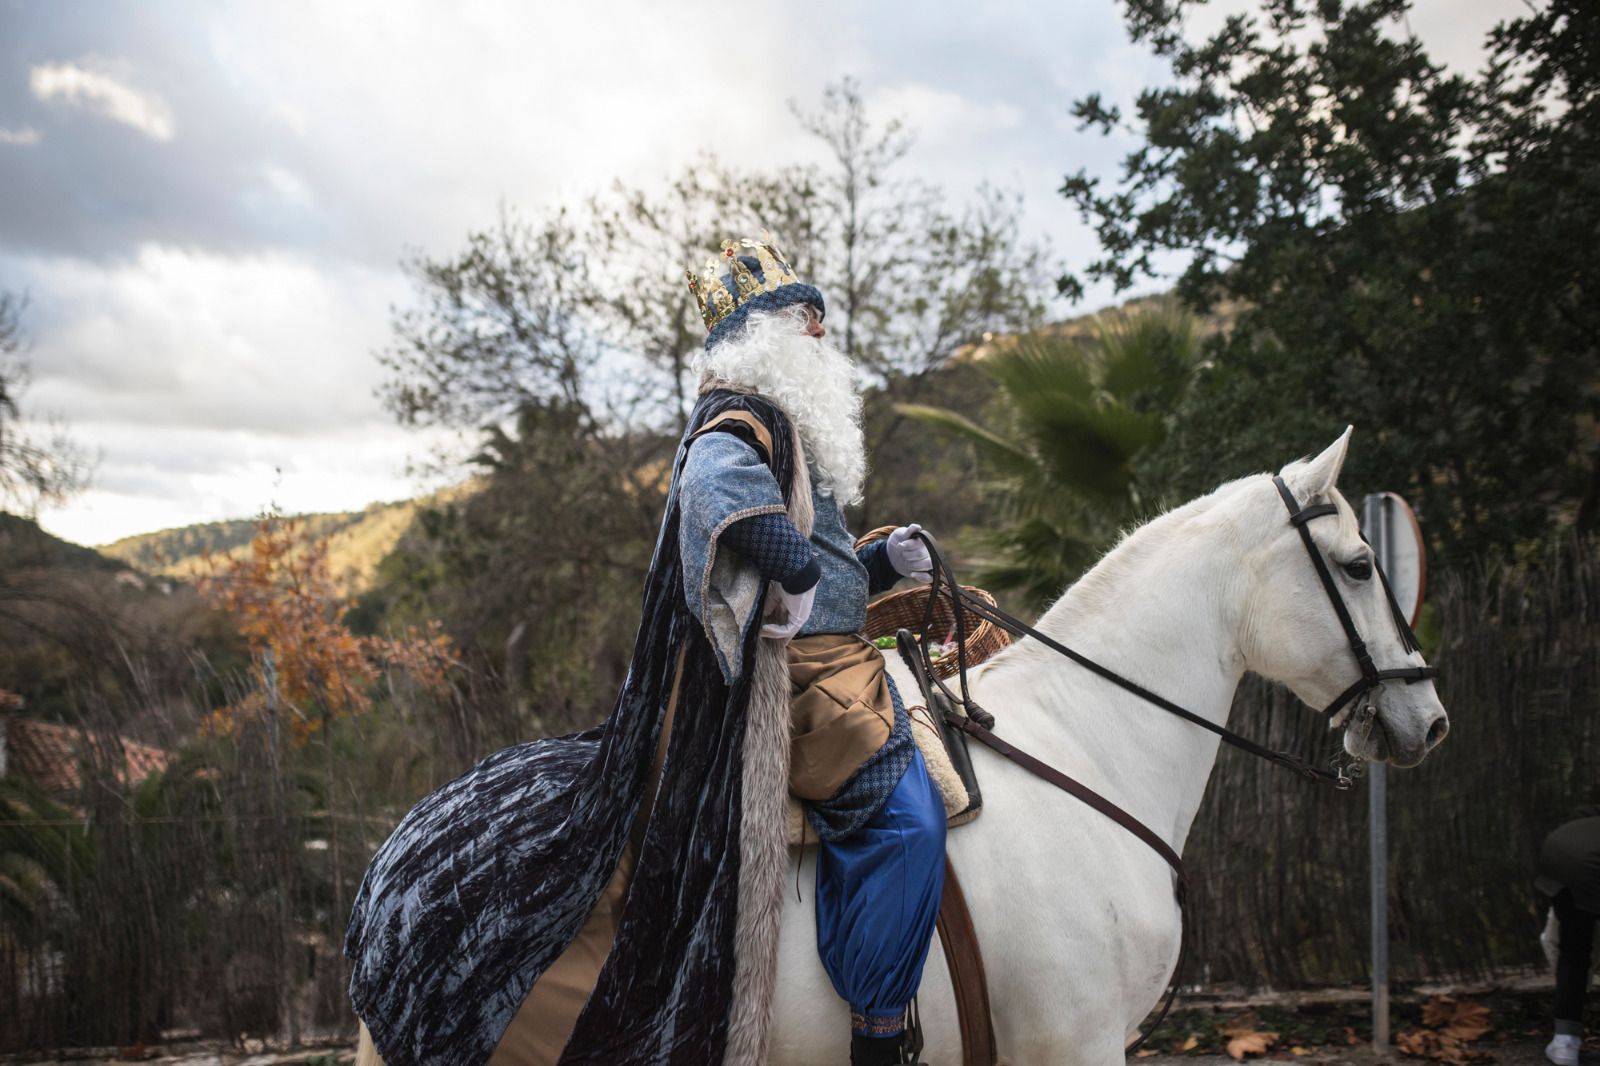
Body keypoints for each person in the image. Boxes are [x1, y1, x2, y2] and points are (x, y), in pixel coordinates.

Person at [344, 234, 946, 1066]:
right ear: (760, 333)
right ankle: (880, 1035)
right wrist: (789, 561)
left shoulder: (791, 426)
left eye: (817, 316)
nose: (819, 331)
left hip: (841, 658)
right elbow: (714, 485)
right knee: (907, 823)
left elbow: (821, 573)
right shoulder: (743, 415)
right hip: (804, 686)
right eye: (804, 316)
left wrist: (881, 563)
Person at [1537, 810, 1600, 1066]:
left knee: (1574, 949)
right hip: (1582, 861)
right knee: (1575, 949)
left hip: (1561, 855)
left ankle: (1566, 1043)